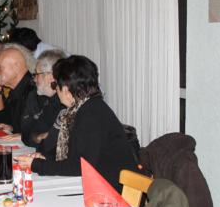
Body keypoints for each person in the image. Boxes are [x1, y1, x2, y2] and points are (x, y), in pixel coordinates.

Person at [15, 55, 138, 190]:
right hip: (96, 184)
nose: (56, 91)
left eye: (56, 85)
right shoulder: (82, 109)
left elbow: (81, 166)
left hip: (112, 192)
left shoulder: (91, 114)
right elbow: (72, 153)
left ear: (66, 89)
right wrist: (44, 157)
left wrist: (37, 165)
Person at [19, 49, 66, 148]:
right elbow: (26, 135)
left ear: (50, 77)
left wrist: (38, 138)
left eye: (37, 74)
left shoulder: (65, 103)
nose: (34, 79)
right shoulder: (47, 99)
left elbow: (51, 144)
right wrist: (38, 137)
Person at [0, 46, 35, 133]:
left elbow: (34, 130)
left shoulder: (33, 90)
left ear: (16, 67)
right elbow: (2, 121)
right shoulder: (15, 89)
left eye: (0, 67)